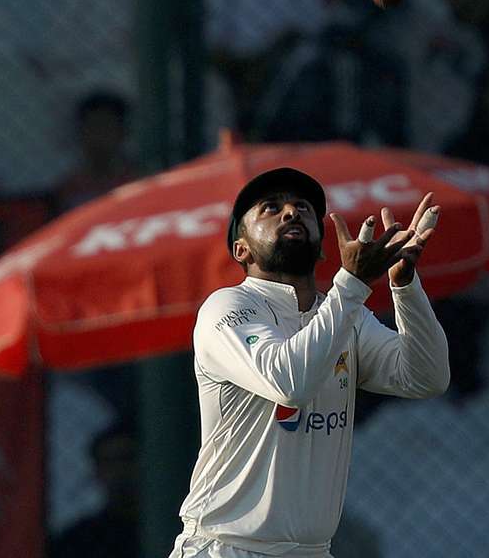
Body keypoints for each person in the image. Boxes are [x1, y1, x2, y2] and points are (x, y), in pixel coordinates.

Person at [168, 167, 450, 558]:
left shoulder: (345, 314)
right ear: (241, 250)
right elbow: (291, 383)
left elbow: (426, 377)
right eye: (270, 208)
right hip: (226, 547)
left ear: (321, 247)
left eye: (302, 207)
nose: (290, 212)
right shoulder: (227, 307)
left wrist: (404, 284)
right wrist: (351, 283)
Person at [50, 421, 140, 558]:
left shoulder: (179, 529)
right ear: (97, 471)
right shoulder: (79, 542)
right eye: (109, 462)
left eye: (126, 459)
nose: (119, 471)